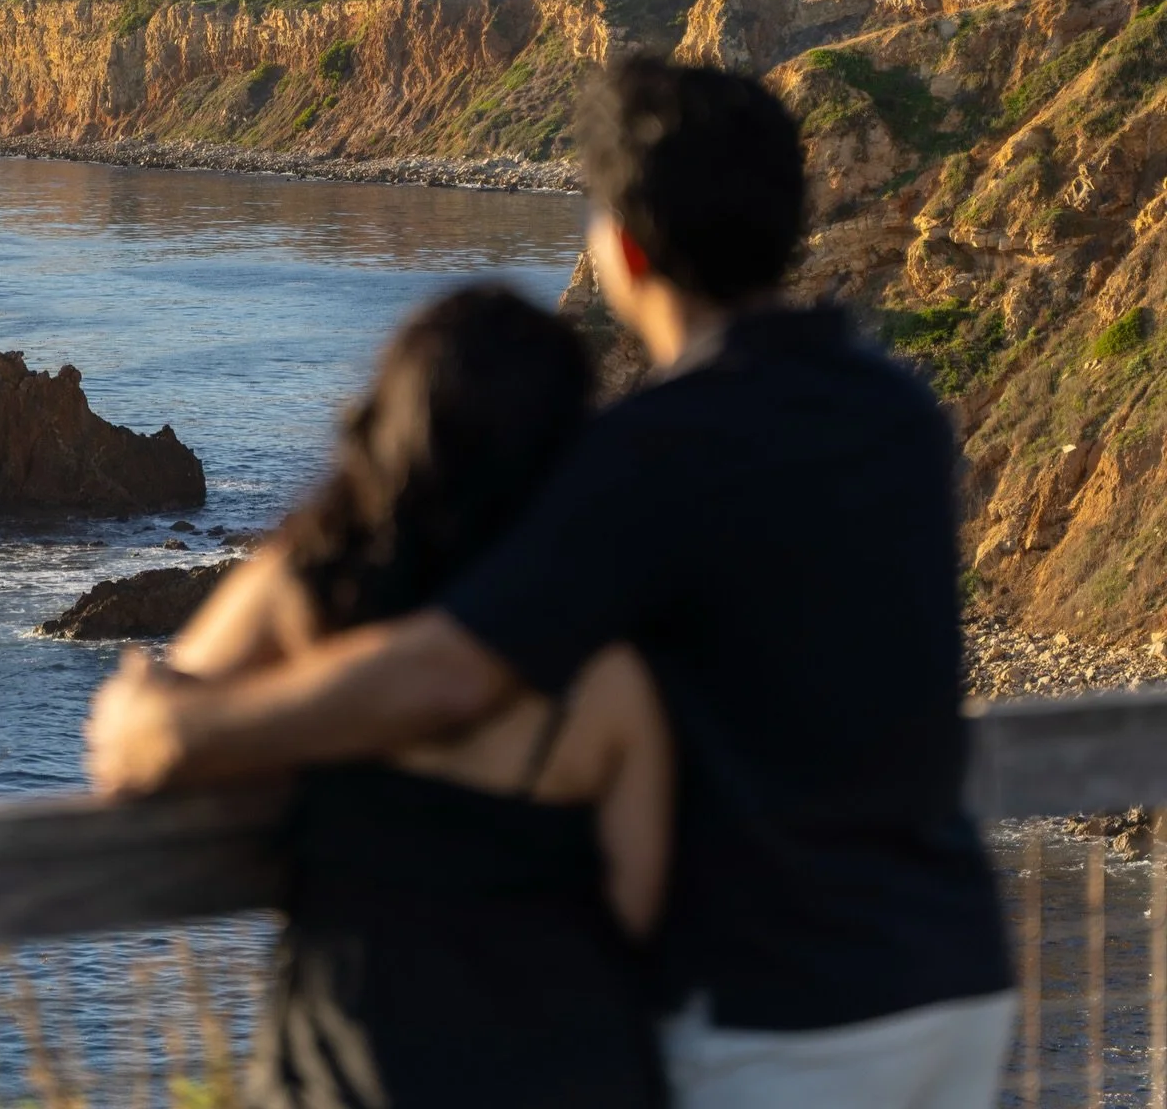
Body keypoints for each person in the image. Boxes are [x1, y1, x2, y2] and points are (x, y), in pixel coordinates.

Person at [88, 57, 1015, 1109]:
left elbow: (450, 671)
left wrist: (186, 732)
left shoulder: (656, 451)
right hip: (953, 971)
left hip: (777, 1004)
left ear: (621, 246)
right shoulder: (893, 409)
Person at [163, 285, 671, 1109]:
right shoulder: (608, 678)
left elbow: (143, 736)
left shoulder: (307, 599)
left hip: (346, 1076)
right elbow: (638, 915)